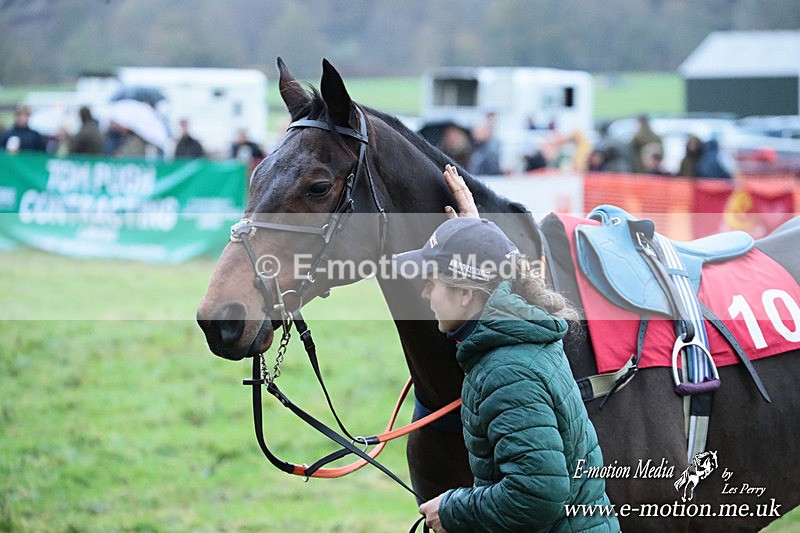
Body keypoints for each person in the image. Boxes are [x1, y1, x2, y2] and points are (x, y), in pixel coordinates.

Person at [397, 165, 618, 532]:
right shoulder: (522, 332)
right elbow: (512, 282)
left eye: (431, 282)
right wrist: (474, 231)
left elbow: (538, 493)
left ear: (466, 294)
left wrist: (452, 510)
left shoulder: (505, 371)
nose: (424, 294)